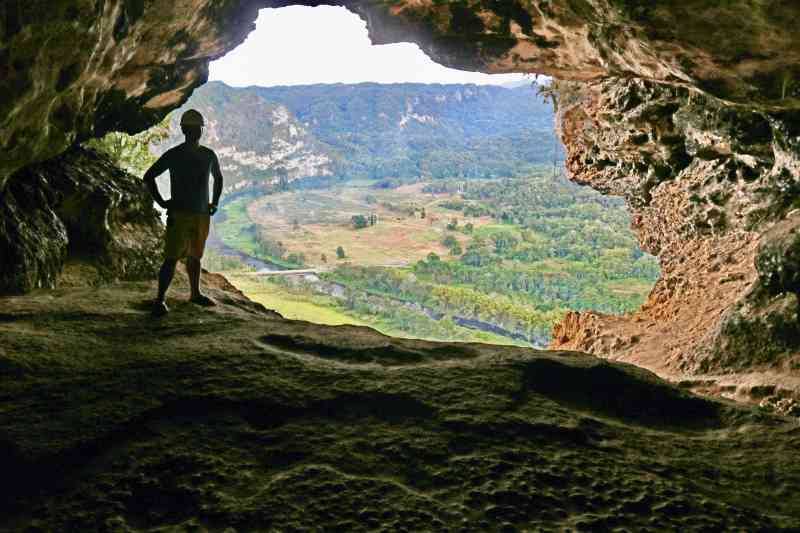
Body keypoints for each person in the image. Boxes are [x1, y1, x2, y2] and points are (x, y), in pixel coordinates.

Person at [143, 109, 223, 316]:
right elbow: (218, 178)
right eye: (194, 127)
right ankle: (161, 299)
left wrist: (162, 201)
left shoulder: (176, 155)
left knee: (191, 256)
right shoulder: (206, 155)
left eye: (196, 127)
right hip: (192, 214)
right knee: (176, 257)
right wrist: (213, 202)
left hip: (189, 213)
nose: (195, 131)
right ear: (192, 130)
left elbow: (149, 176)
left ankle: (188, 294)